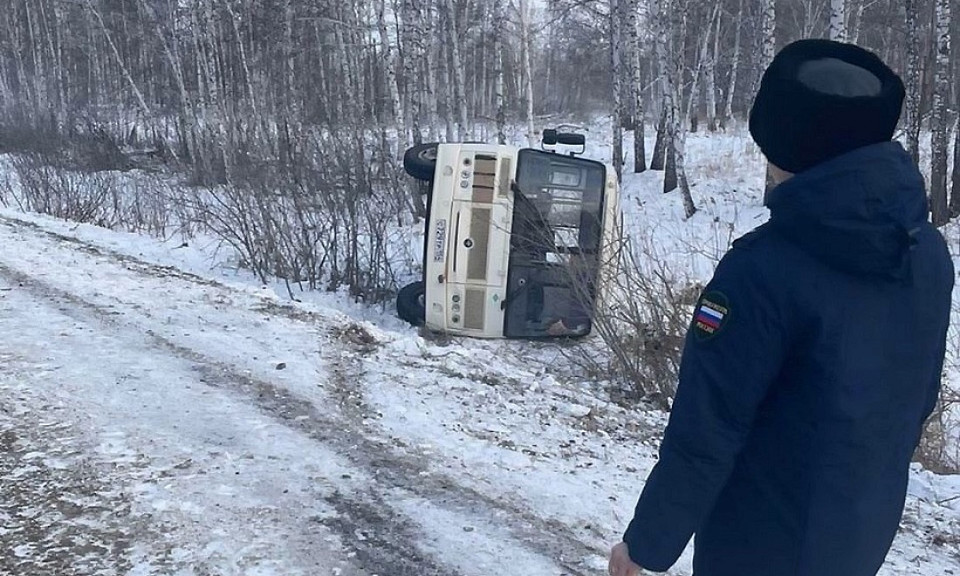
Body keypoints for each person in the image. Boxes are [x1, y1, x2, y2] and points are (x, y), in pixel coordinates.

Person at [608, 39, 954, 576]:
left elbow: (708, 427)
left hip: (756, 542)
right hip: (859, 531)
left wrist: (646, 544)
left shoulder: (761, 271)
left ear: (785, 145)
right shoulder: (926, 251)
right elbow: (915, 399)